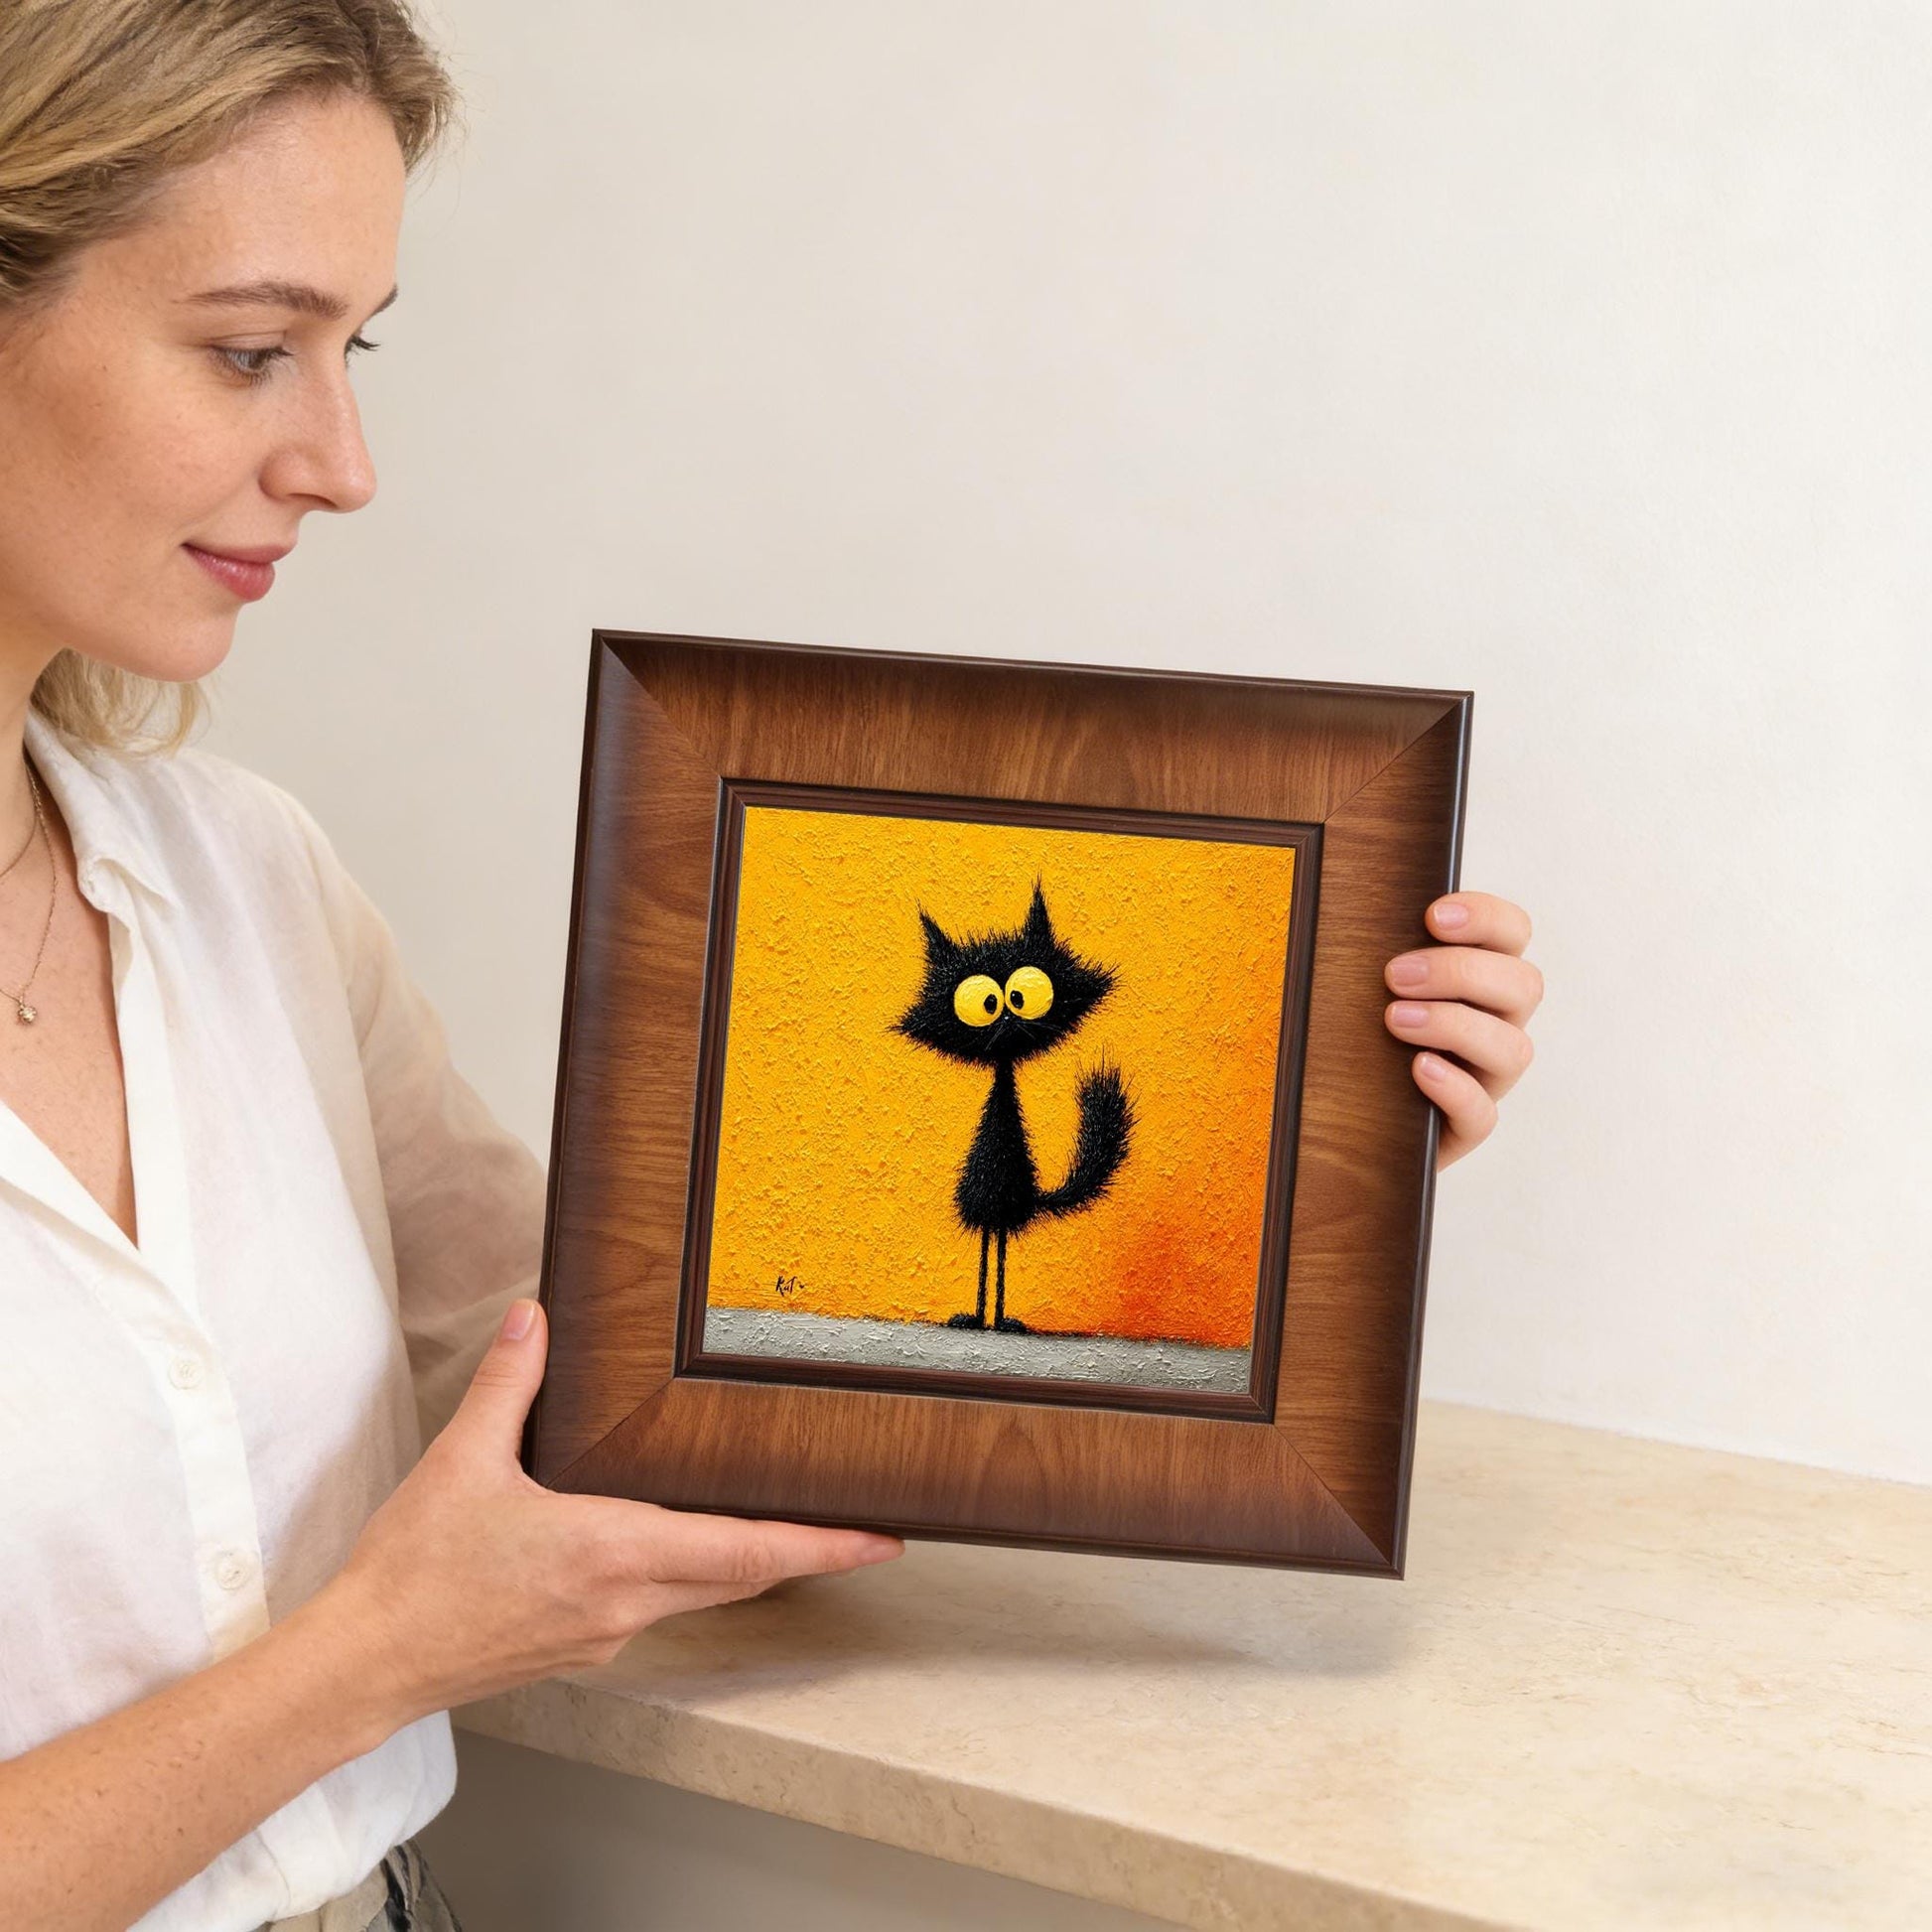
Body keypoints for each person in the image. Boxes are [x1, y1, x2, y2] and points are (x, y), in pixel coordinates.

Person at [0, 4, 1544, 1929]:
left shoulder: (251, 886)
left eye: (351, 350)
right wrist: (379, 1650)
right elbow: (441, 1603)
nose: (342, 461)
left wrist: (1267, 1172)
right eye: (249, 352)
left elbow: (666, 1416)